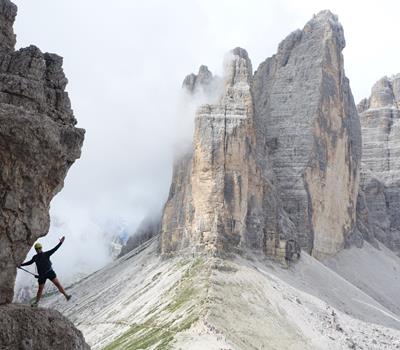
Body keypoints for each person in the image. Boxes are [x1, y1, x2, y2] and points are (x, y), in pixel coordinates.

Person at [20, 236, 71, 307]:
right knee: (40, 289)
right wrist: (21, 265)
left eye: (39, 248)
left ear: (41, 248)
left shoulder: (46, 254)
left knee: (58, 284)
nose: (38, 250)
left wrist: (60, 243)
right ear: (35, 249)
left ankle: (66, 296)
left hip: (50, 272)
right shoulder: (35, 257)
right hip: (42, 275)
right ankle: (36, 303)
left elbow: (54, 249)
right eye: (37, 249)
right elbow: (29, 262)